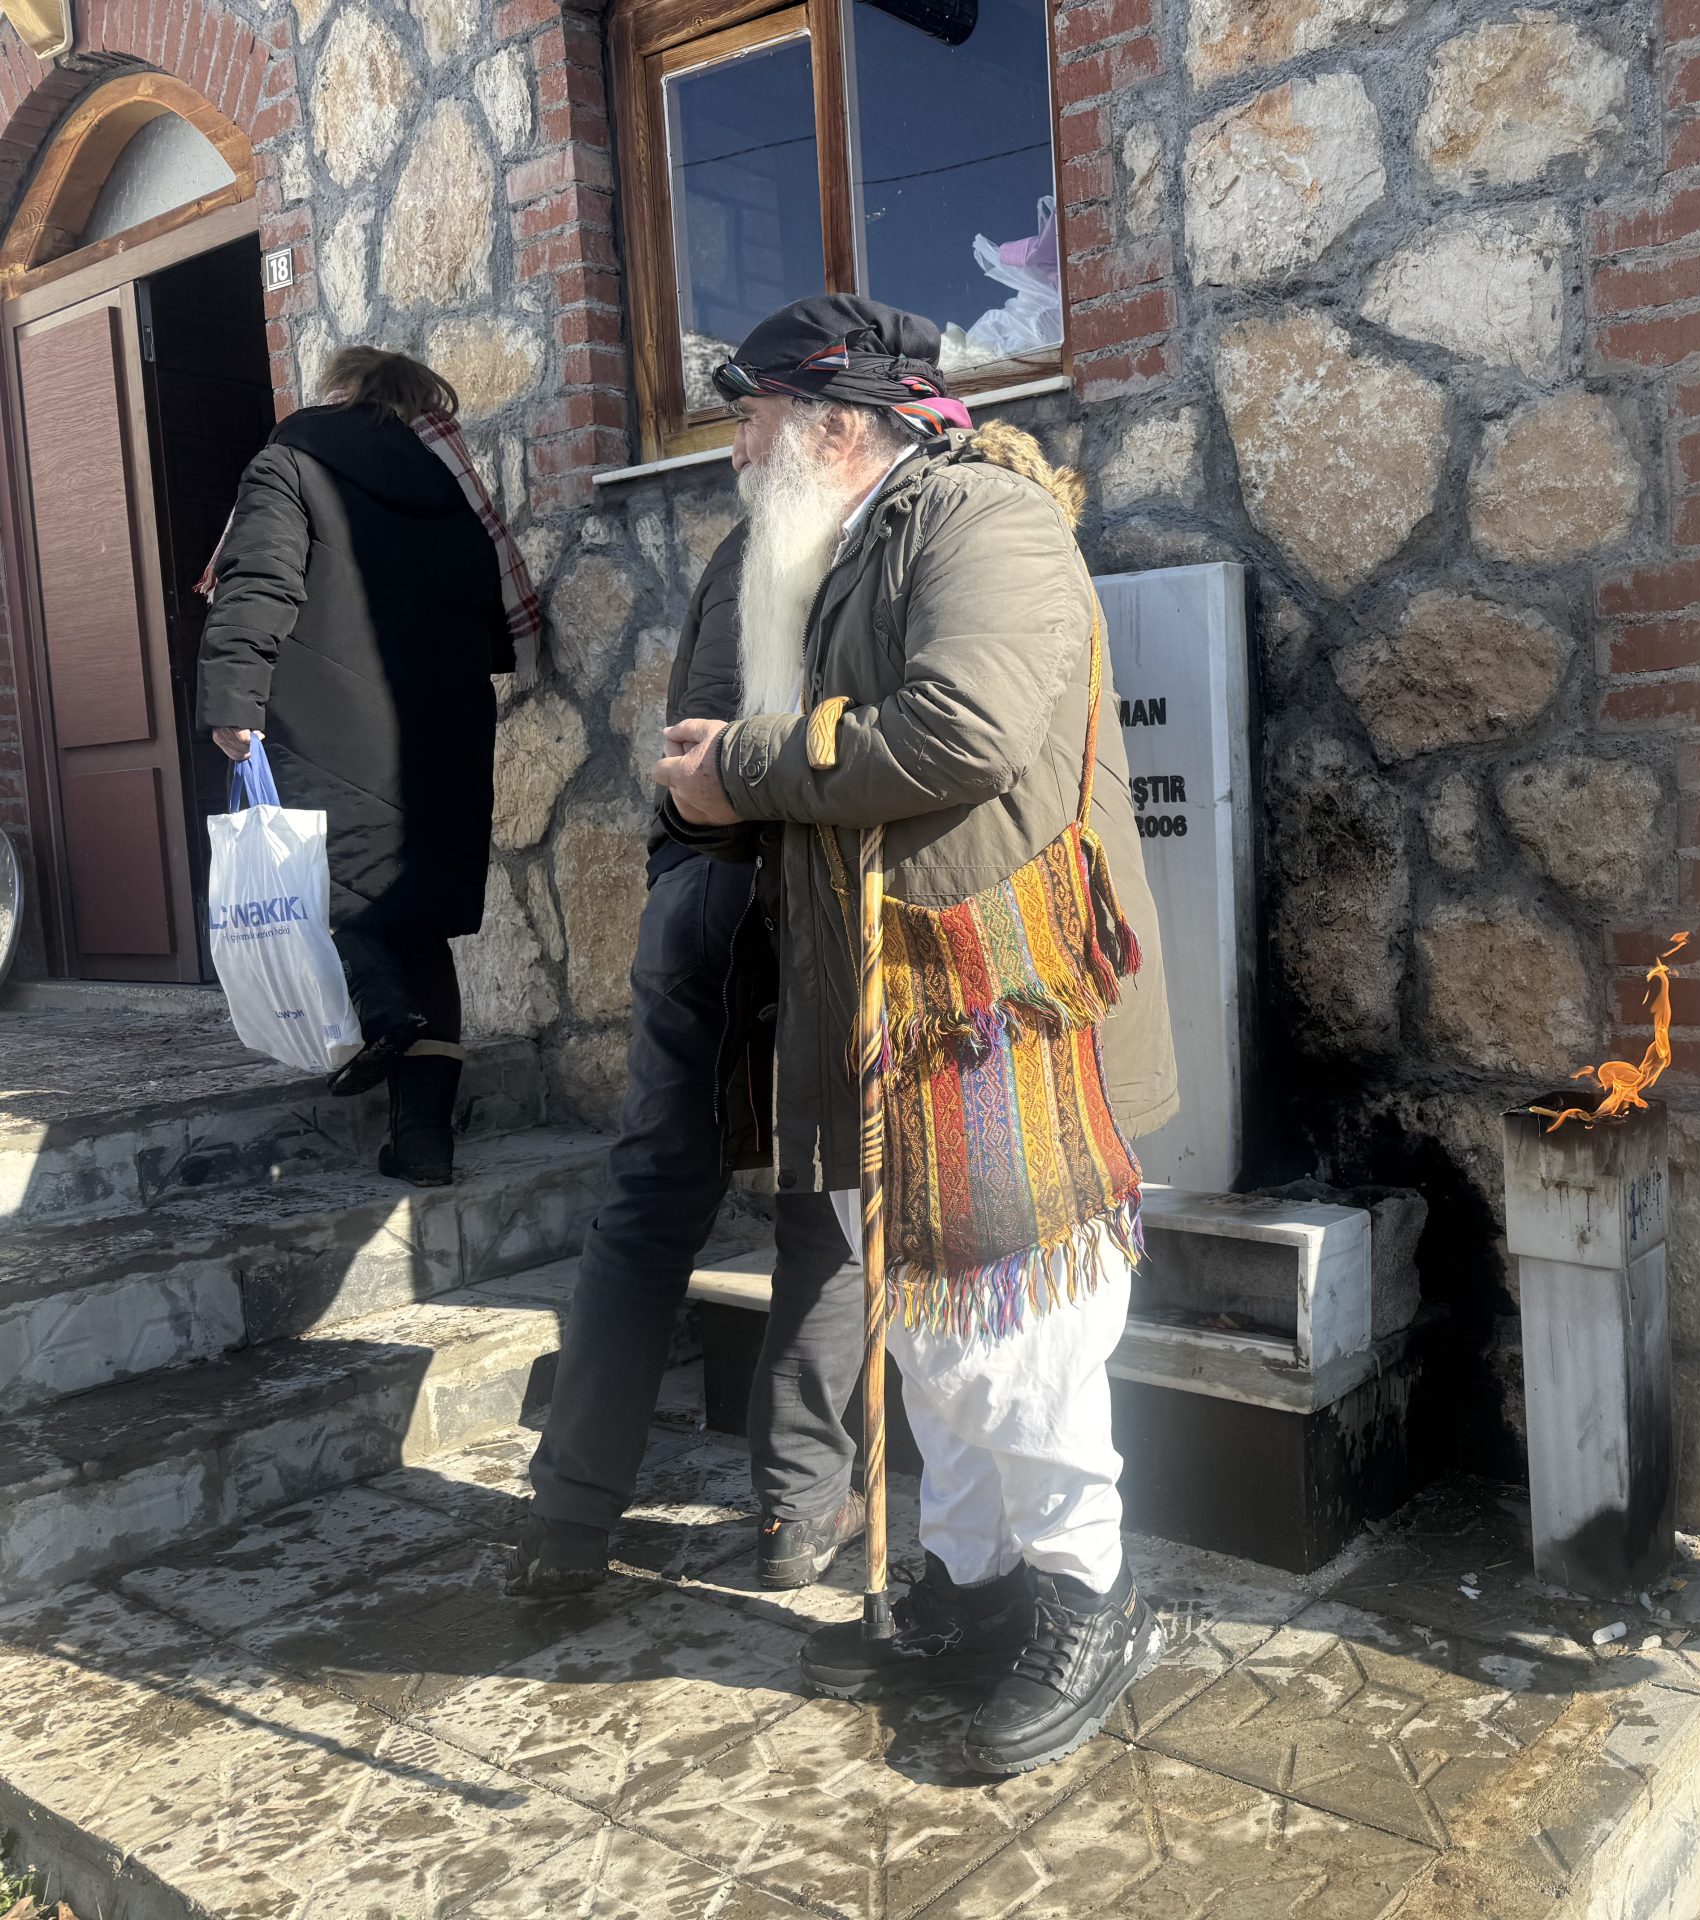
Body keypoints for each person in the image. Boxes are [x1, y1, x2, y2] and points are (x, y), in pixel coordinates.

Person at [651, 295, 1177, 1776]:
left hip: (998, 1007)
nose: (736, 447)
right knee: (937, 1334)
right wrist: (720, 789)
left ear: (837, 424)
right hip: (900, 1006)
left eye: (754, 416)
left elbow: (962, 732)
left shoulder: (982, 521)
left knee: (1028, 1335)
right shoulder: (838, 548)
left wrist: (746, 769)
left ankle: (1087, 1598)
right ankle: (977, 1583)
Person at [504, 511, 868, 1597]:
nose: (744, 440)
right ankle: (800, 1508)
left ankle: (568, 1521)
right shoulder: (880, 538)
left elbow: (688, 733)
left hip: (698, 887)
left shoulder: (748, 542)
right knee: (829, 1200)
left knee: (652, 1197)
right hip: (810, 894)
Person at [198, 347, 536, 1185]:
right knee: (413, 921)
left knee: (313, 885)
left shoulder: (290, 462)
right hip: (441, 738)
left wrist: (233, 700)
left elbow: (258, 582)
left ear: (339, 393)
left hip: (326, 721)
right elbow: (493, 618)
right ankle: (423, 1142)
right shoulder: (454, 489)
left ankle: (381, 1011)